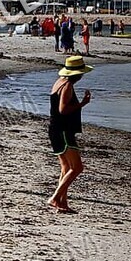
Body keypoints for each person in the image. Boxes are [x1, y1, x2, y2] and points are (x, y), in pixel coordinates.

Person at [47, 55, 92, 213]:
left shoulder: (59, 82)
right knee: (77, 167)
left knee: (66, 168)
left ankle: (62, 203)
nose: (82, 76)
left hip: (55, 129)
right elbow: (63, 109)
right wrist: (82, 104)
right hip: (63, 130)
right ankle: (55, 197)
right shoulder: (66, 85)